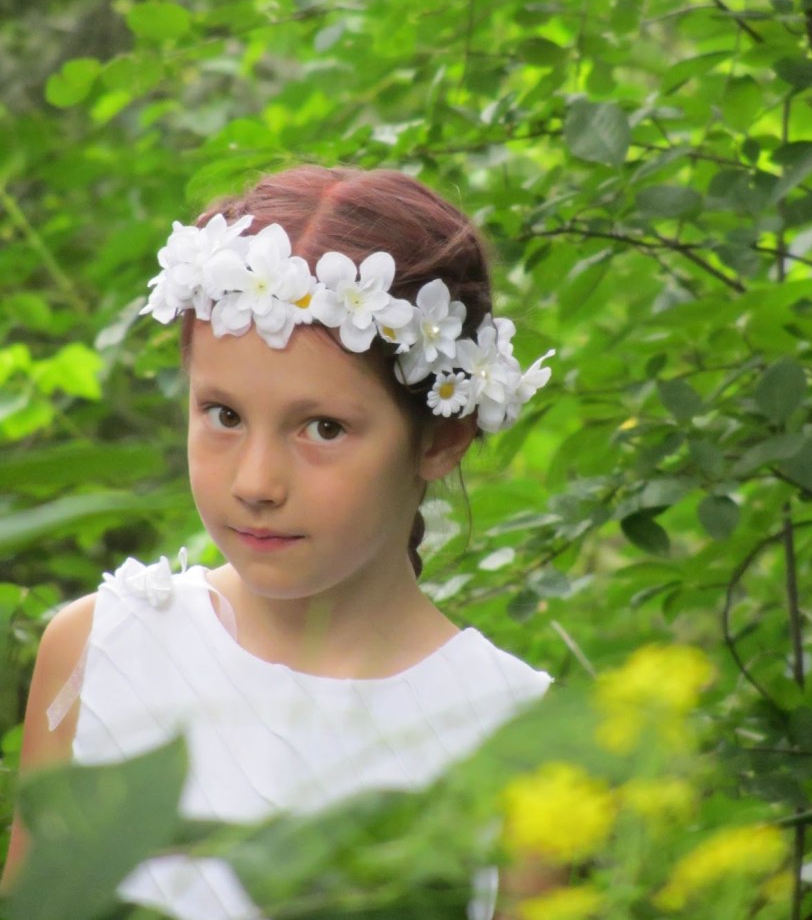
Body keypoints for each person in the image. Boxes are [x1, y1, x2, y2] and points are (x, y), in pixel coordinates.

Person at [2, 166, 554, 919]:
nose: (256, 482)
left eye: (322, 428)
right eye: (224, 415)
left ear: (440, 437)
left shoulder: (519, 738)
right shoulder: (100, 648)